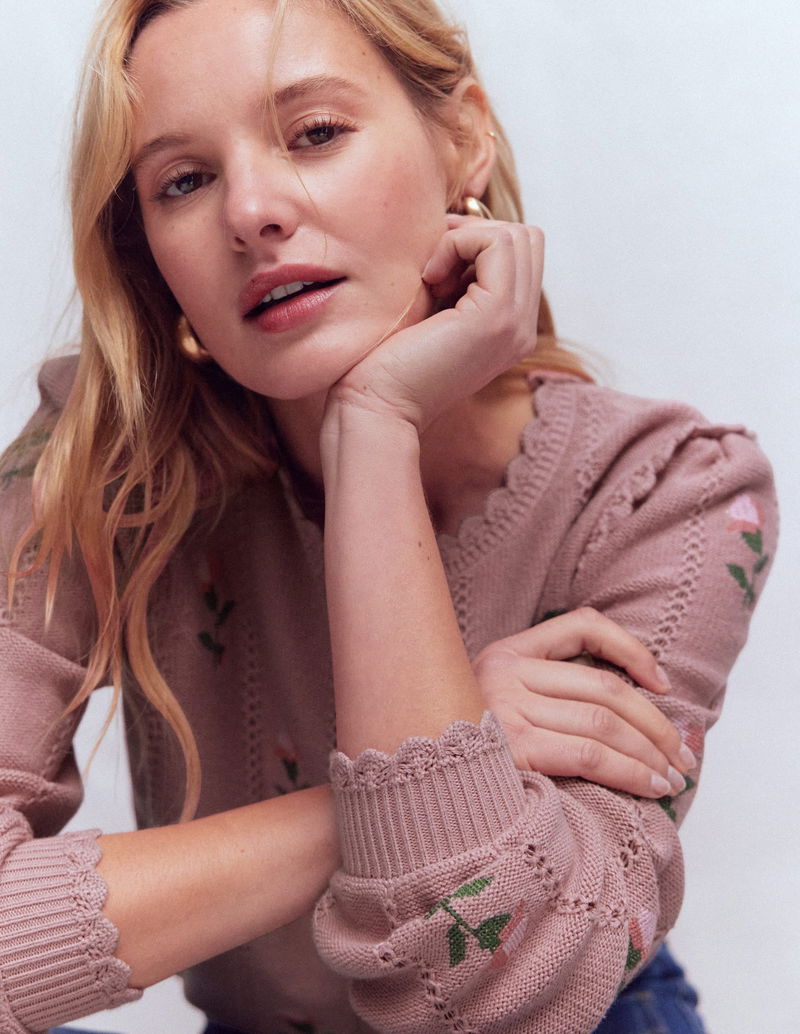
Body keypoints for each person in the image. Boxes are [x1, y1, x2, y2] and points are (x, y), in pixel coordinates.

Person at [0, 0, 777, 1032]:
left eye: (315, 132)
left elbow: (478, 996)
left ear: (463, 138)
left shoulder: (666, 493)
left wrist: (374, 423)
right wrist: (415, 779)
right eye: (183, 181)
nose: (251, 211)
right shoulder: (105, 457)